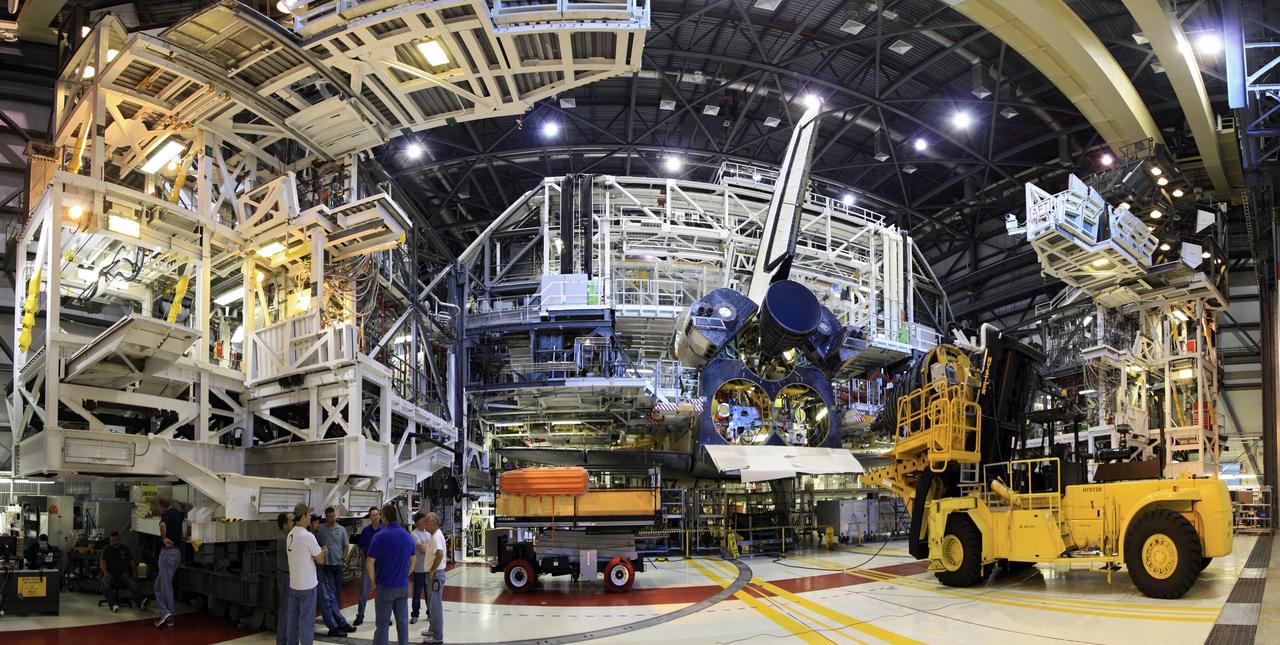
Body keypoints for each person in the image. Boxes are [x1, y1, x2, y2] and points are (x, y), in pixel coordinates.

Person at [366, 504, 415, 645]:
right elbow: (413, 560)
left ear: (384, 517)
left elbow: (369, 562)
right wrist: (405, 574)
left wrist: (373, 582)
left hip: (385, 587)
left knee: (382, 624)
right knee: (402, 622)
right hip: (402, 587)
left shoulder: (379, 537)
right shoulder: (407, 536)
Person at [286, 506, 328, 645]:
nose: (310, 517)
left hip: (294, 585)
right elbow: (320, 560)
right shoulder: (308, 536)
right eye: (309, 515)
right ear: (303, 516)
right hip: (307, 586)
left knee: (293, 620)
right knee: (306, 622)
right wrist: (324, 552)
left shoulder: (290, 535)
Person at [316, 507, 355, 635]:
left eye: (334, 516)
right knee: (331, 594)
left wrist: (343, 560)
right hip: (326, 566)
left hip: (337, 566)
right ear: (326, 517)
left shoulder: (341, 530)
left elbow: (345, 546)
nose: (332, 518)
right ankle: (337, 620)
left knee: (336, 593)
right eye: (330, 516)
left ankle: (337, 618)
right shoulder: (321, 530)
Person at [154, 498, 184, 629]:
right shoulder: (177, 513)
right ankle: (166, 614)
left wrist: (163, 538)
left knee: (165, 587)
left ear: (162, 506)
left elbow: (162, 525)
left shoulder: (166, 514)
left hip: (167, 554)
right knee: (158, 586)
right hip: (176, 553)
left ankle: (168, 616)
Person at [419, 512, 447, 645]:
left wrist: (432, 570)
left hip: (436, 575)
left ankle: (437, 636)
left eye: (427, 521)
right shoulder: (434, 535)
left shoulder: (436, 537)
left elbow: (440, 554)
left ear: (434, 523)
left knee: (435, 607)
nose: (424, 524)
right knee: (432, 604)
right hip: (434, 574)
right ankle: (432, 629)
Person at [353, 506, 381, 627]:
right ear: (370, 517)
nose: (375, 517)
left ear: (379, 516)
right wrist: (364, 563)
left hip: (380, 567)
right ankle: (360, 616)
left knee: (381, 592)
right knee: (364, 592)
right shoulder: (366, 531)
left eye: (376, 515)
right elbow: (361, 548)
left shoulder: (383, 530)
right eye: (373, 515)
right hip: (368, 566)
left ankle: (382, 616)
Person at [100, 532, 142, 613]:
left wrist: (134, 572)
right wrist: (105, 573)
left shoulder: (125, 548)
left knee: (132, 582)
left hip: (124, 573)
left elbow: (131, 561)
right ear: (110, 540)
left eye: (116, 540)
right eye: (112, 540)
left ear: (119, 540)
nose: (114, 542)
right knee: (105, 584)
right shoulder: (106, 549)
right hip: (111, 574)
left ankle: (140, 602)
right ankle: (113, 604)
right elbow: (102, 564)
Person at [275, 512, 295, 645]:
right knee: (285, 610)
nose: (293, 523)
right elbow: (294, 553)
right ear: (284, 524)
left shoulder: (288, 537)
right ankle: (282, 641)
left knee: (288, 609)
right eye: (291, 521)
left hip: (288, 576)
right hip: (285, 576)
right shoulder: (283, 538)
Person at [409, 513, 429, 625]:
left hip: (428, 569)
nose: (424, 522)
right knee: (417, 594)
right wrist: (429, 547)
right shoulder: (413, 534)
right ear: (417, 522)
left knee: (429, 594)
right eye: (422, 521)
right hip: (418, 570)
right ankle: (415, 615)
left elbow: (432, 549)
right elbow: (421, 548)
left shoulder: (428, 534)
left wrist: (427, 547)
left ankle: (430, 613)